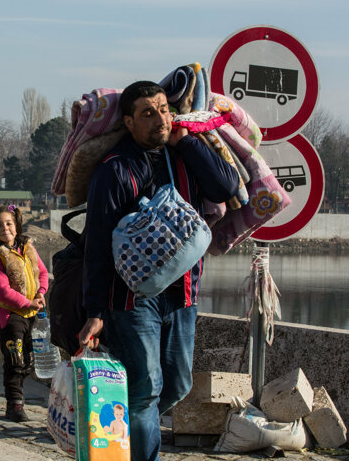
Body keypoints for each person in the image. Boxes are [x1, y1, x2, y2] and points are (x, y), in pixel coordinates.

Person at [78, 81, 240, 461]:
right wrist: (95, 312)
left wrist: (185, 141)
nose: (159, 119)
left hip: (183, 293)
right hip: (132, 300)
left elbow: (226, 185)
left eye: (164, 109)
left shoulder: (183, 157)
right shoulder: (114, 171)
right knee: (146, 389)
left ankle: (130, 432)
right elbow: (98, 246)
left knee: (177, 385)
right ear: (130, 122)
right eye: (148, 113)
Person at [0, 205, 48, 422]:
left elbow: (43, 272)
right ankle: (14, 404)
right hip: (10, 317)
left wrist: (41, 293)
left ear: (16, 227)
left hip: (32, 316)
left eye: (8, 223)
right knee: (14, 360)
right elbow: (3, 292)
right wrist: (30, 303)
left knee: (28, 360)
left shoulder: (28, 249)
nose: (5, 228)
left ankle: (17, 396)